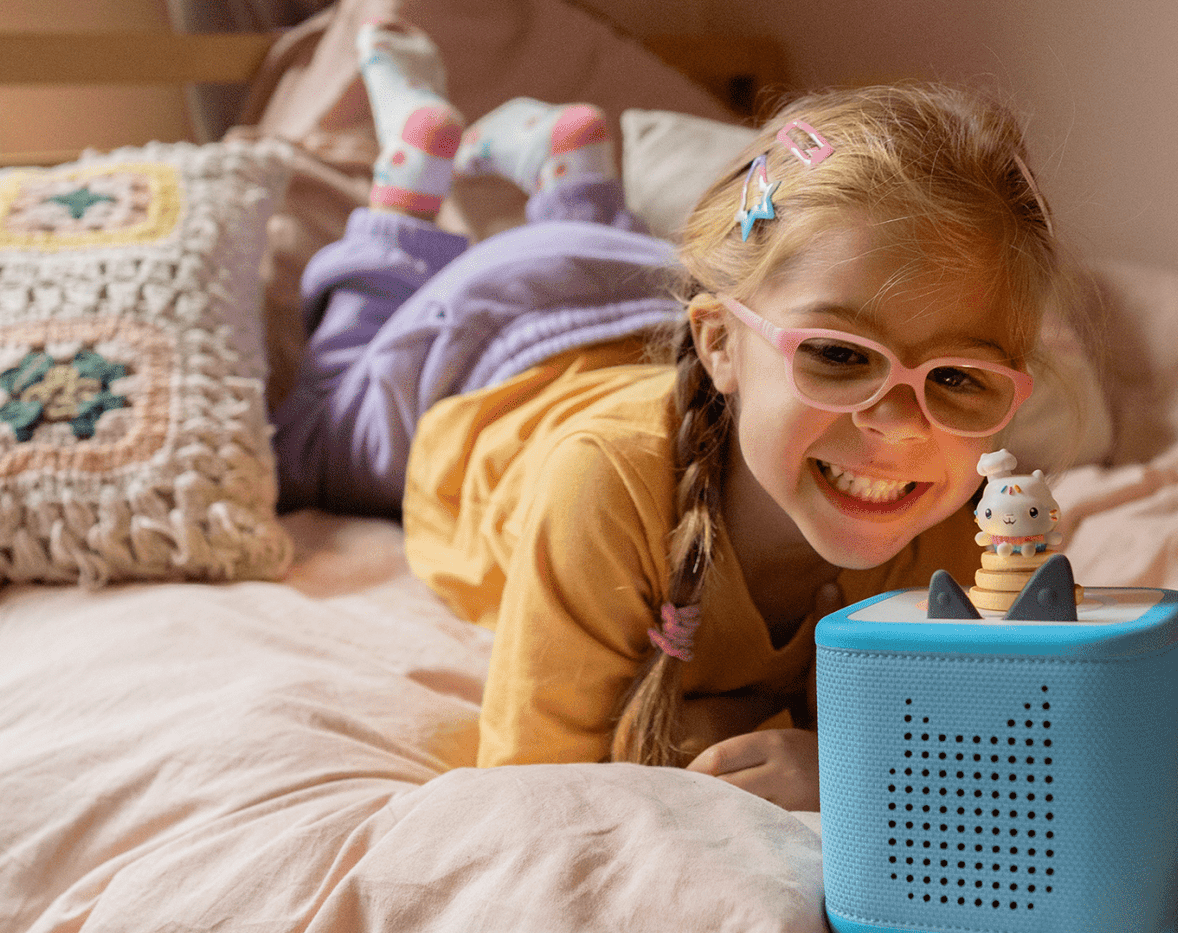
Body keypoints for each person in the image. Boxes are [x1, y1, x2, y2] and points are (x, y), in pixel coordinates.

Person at [273, 19, 1060, 811]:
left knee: (596, 253)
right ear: (719, 345)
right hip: (487, 356)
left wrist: (842, 764)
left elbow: (989, 748)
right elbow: (533, 792)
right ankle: (405, 197)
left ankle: (571, 180)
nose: (899, 426)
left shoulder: (956, 521)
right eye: (841, 355)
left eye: (957, 376)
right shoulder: (603, 485)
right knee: (319, 434)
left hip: (623, 292)